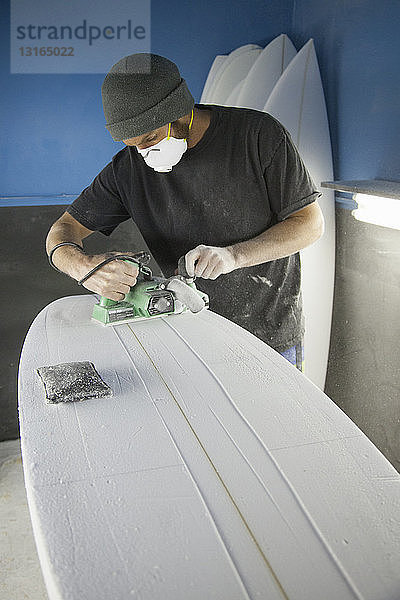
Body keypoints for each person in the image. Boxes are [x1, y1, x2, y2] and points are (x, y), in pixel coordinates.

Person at [46, 53, 324, 371]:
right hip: (187, 333)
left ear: (178, 111)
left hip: (268, 335)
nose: (144, 153)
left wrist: (234, 256)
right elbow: (61, 232)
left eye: (150, 138)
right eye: (131, 144)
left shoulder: (257, 136)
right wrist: (84, 267)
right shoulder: (128, 170)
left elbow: (310, 224)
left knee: (277, 420)